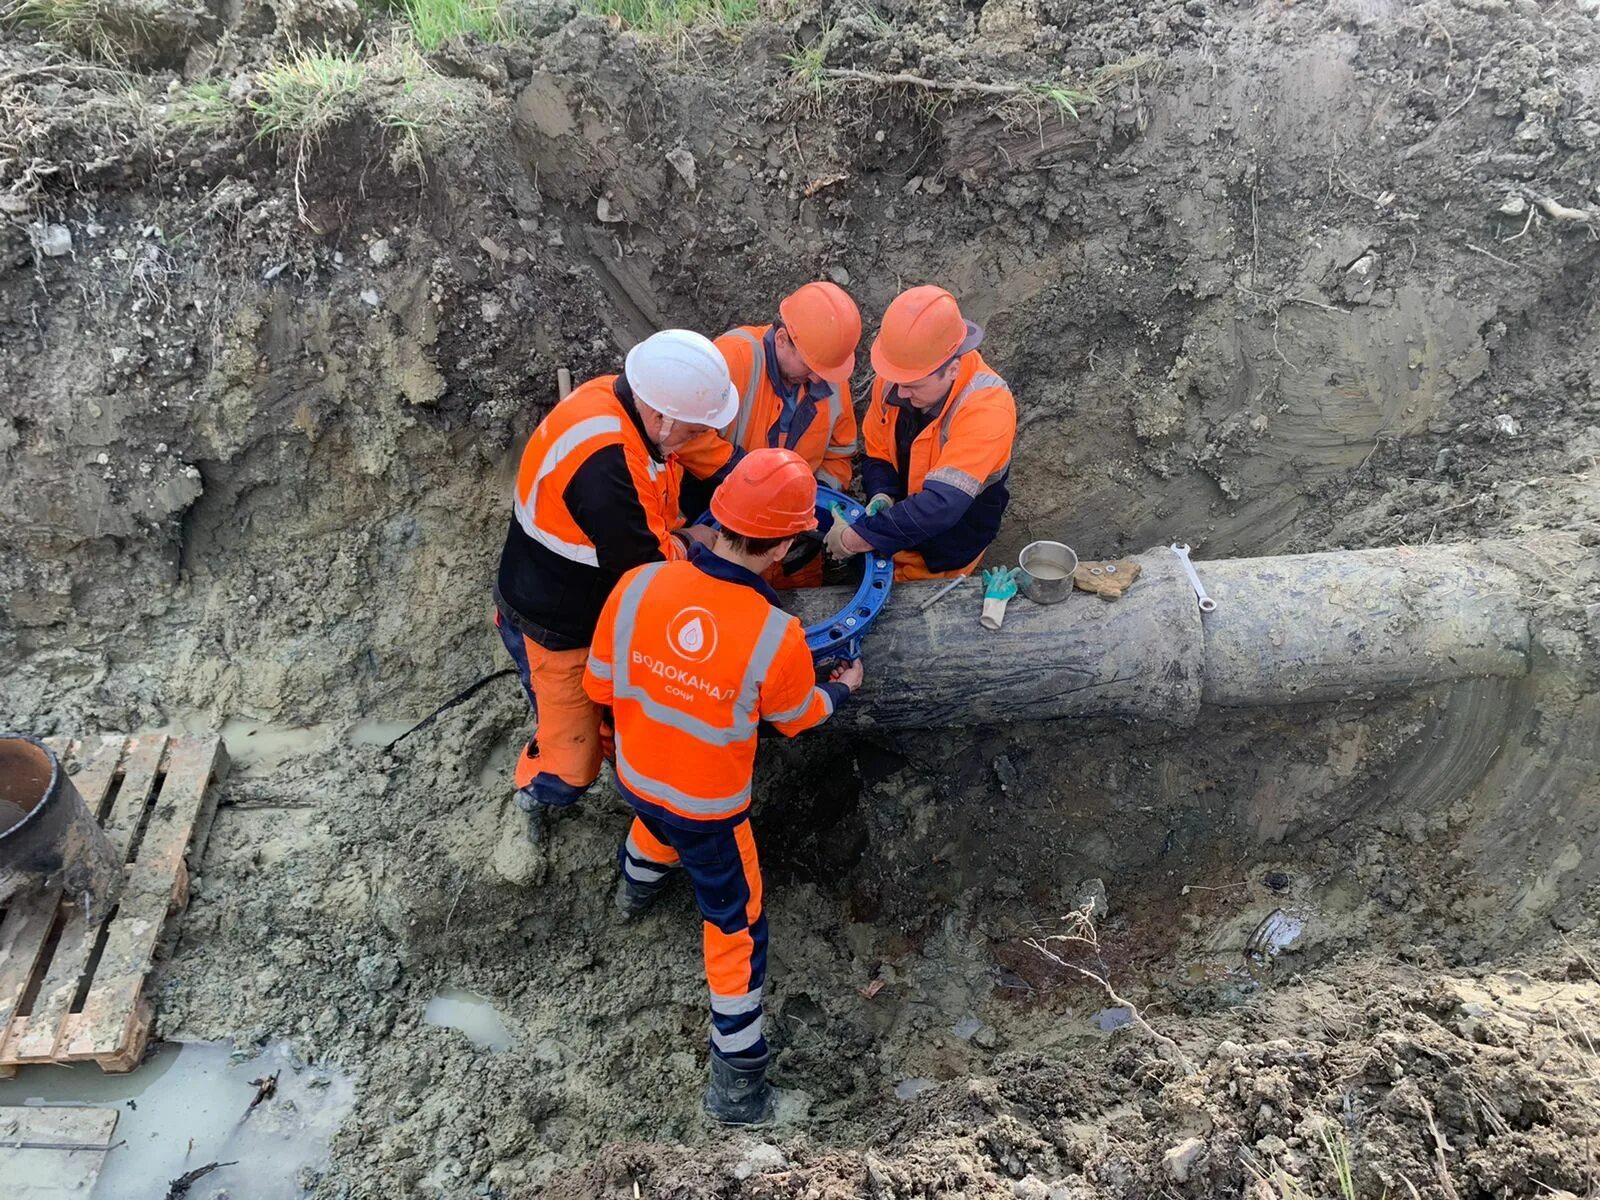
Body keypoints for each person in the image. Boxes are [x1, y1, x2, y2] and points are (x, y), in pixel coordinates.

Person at [582, 448, 865, 1125]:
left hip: (638, 776)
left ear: (717, 521)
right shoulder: (776, 635)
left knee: (654, 824)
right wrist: (841, 690)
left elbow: (599, 684)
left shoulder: (641, 585)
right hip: (709, 811)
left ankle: (634, 893)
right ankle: (738, 1083)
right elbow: (796, 720)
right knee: (735, 925)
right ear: (787, 547)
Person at [493, 329, 737, 844]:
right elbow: (649, 568)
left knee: (611, 713)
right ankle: (537, 793)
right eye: (693, 431)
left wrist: (758, 479)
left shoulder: (629, 398)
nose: (698, 441)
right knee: (573, 756)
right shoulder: (607, 468)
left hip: (591, 602)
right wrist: (700, 541)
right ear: (662, 418)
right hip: (556, 626)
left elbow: (707, 453)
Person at [675, 282, 862, 585]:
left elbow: (840, 454)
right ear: (782, 339)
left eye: (825, 369)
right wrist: (746, 474)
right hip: (729, 532)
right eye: (810, 364)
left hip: (794, 544)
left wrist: (810, 503)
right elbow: (684, 435)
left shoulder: (829, 374)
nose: (817, 377)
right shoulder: (733, 359)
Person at [825, 286, 1017, 581]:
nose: (900, 392)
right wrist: (883, 495)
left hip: (947, 548)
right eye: (898, 379)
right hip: (897, 525)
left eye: (913, 385)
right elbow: (877, 452)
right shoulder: (897, 377)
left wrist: (856, 539)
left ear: (952, 369)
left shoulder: (988, 407)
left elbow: (942, 504)